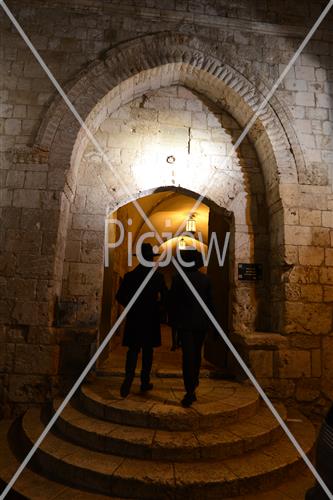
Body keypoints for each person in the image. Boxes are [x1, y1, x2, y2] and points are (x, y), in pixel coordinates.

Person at [116, 243, 166, 398]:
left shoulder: (130, 276)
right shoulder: (157, 277)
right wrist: (157, 307)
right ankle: (144, 381)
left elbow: (119, 296)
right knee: (147, 352)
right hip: (150, 318)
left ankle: (128, 380)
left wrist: (131, 306)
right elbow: (166, 297)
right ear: (150, 258)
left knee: (132, 351)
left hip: (135, 318)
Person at [169, 248, 215, 407]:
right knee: (196, 355)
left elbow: (172, 305)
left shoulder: (178, 279)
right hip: (201, 324)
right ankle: (193, 384)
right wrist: (213, 325)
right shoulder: (206, 280)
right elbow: (210, 305)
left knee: (188, 357)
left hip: (185, 324)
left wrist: (173, 328)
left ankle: (190, 390)